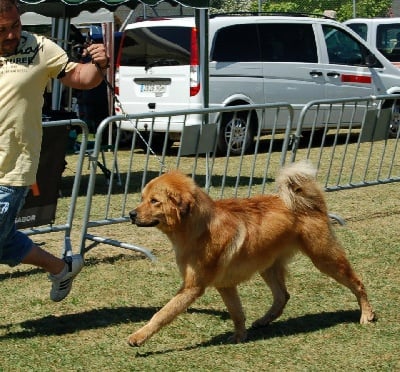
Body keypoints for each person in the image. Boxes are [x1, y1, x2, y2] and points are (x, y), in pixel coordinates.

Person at [0, 0, 110, 301]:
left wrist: (99, 64)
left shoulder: (38, 47)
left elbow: (82, 79)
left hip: (11, 167)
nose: (11, 35)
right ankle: (62, 267)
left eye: (15, 26)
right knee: (2, 240)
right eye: (2, 30)